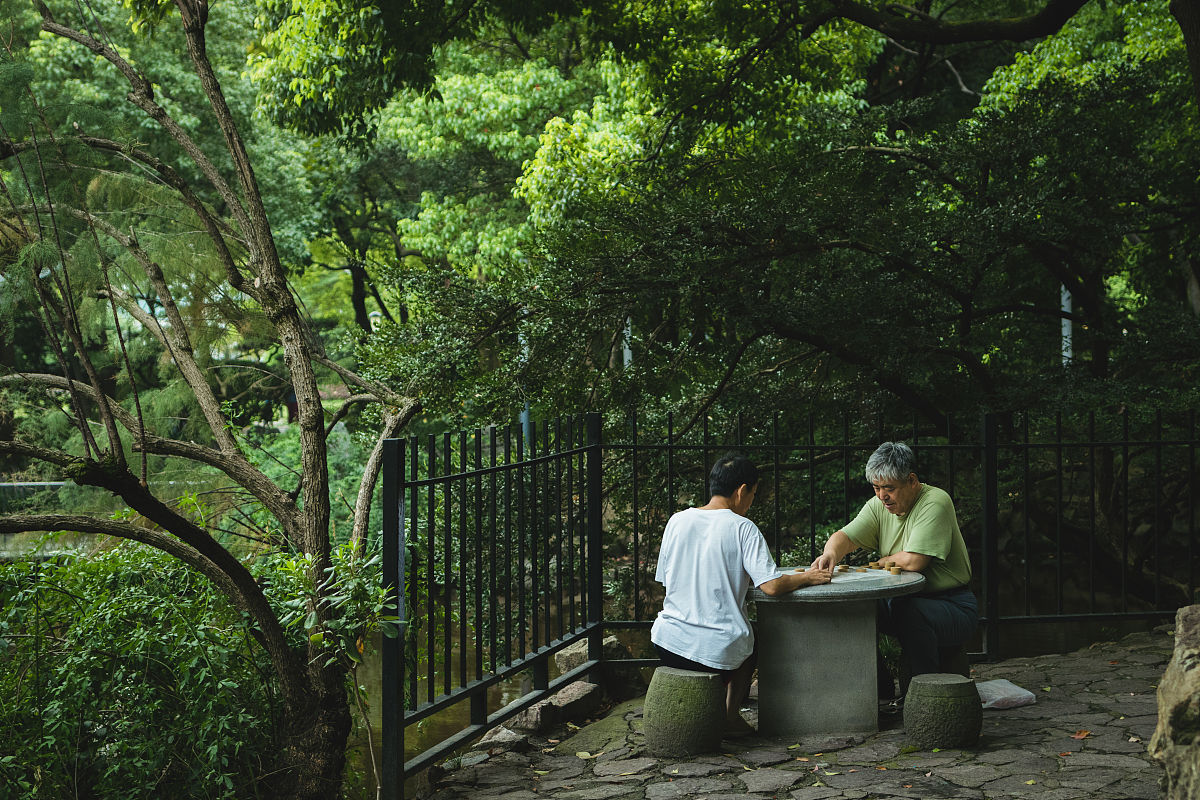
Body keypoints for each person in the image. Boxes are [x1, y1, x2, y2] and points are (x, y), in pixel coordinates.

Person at [651, 452, 832, 734]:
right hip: (716, 652)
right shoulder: (742, 528)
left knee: (739, 636)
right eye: (753, 494)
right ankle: (730, 716)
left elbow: (666, 578)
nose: (750, 502)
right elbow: (771, 586)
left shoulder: (677, 521)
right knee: (750, 638)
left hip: (666, 642)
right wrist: (807, 577)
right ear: (741, 491)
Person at [810, 441, 977, 702]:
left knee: (910, 613)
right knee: (855, 608)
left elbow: (915, 561)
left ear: (912, 481)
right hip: (901, 602)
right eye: (876, 488)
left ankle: (924, 700)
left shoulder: (936, 501)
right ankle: (879, 690)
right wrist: (831, 553)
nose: (882, 496)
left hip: (952, 605)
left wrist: (886, 559)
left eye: (889, 488)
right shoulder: (878, 505)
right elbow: (844, 536)